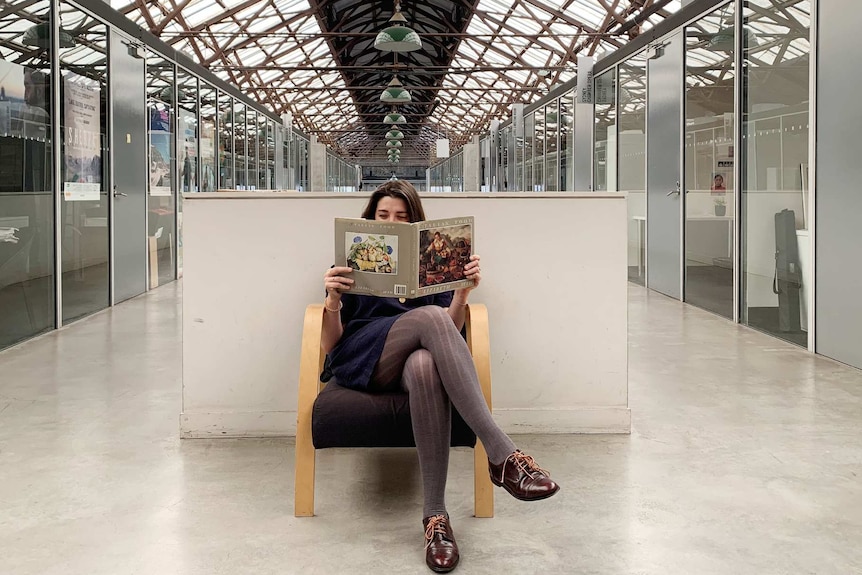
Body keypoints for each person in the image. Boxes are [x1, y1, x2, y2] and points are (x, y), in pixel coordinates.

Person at [321, 180, 560, 573]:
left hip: (412, 360)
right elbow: (332, 345)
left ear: (415, 223)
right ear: (370, 220)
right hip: (364, 359)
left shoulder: (429, 261)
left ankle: (436, 521)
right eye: (383, 216)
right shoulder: (346, 265)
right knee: (429, 318)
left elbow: (446, 330)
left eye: (402, 216)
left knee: (424, 366)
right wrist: (331, 300)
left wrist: (462, 293)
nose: (391, 221)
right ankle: (503, 454)